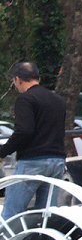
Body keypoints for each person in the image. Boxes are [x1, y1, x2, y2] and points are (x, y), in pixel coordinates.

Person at [0, 61, 69, 218]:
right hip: (57, 161)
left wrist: (3, 152)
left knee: (12, 214)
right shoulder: (58, 100)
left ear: (18, 79)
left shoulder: (25, 99)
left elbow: (24, 131)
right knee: (46, 215)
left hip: (33, 161)